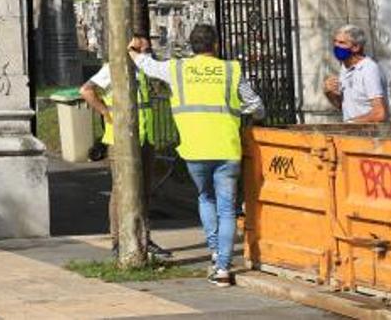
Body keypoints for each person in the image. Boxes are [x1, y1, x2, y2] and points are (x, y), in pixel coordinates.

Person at [131, 23, 264, 287]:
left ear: (192, 46)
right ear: (215, 45)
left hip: (194, 149)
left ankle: (214, 253)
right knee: (227, 209)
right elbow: (256, 105)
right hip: (227, 149)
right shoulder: (231, 70)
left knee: (206, 198)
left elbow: (148, 66)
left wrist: (134, 51)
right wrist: (250, 117)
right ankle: (223, 267)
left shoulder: (177, 69)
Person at [79, 35, 170, 259]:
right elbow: (86, 90)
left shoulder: (146, 69)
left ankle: (143, 237)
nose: (145, 53)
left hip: (145, 137)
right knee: (121, 190)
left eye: (147, 49)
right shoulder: (113, 68)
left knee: (145, 189)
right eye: (140, 49)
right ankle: (119, 240)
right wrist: (105, 112)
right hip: (121, 139)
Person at [323, 24, 389, 123]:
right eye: (335, 42)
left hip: (370, 135)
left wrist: (351, 124)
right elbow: (343, 106)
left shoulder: (368, 69)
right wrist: (329, 93)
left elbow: (380, 113)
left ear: (356, 47)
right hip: (352, 134)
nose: (336, 46)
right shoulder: (345, 67)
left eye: (342, 43)